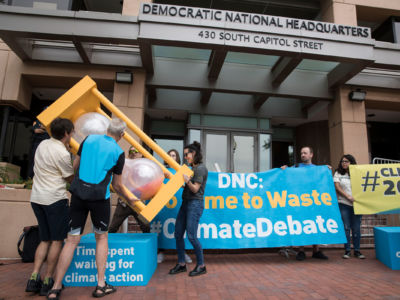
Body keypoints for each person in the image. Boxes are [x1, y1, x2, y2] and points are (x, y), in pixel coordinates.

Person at [47, 118, 138, 300]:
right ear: (122, 135)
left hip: (78, 196)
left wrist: (78, 185)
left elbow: (75, 166)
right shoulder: (118, 152)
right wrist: (131, 199)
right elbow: (118, 186)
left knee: (71, 240)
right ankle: (100, 285)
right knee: (101, 238)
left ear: (107, 129)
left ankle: (55, 288)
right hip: (99, 199)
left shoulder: (88, 140)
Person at [25, 118, 74, 296]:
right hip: (54, 199)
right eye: (72, 132)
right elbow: (69, 178)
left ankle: (33, 277)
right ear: (67, 133)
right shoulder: (62, 153)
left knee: (44, 239)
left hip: (36, 198)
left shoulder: (43, 144)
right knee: (56, 240)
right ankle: (48, 279)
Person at [281, 146, 329, 261]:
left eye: (305, 153)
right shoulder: (296, 167)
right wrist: (284, 169)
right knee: (303, 225)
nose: (303, 155)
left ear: (311, 155)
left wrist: (326, 170)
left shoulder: (317, 169)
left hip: (313, 201)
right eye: (301, 153)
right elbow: (285, 175)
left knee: (315, 225)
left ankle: (315, 250)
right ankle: (301, 251)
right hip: (300, 201)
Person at [169, 141, 208, 277]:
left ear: (194, 154)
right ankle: (181, 264)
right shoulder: (191, 168)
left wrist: (187, 181)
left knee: (191, 236)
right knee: (178, 234)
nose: (185, 157)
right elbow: (187, 187)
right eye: (185, 154)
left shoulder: (200, 169)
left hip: (194, 204)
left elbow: (195, 188)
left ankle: (201, 265)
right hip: (186, 203)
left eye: (187, 154)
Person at [157, 149, 192, 264]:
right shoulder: (161, 170)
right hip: (164, 205)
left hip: (178, 205)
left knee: (181, 230)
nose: (172, 157)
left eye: (174, 155)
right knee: (161, 229)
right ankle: (161, 252)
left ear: (177, 158)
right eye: (169, 155)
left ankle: (182, 253)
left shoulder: (182, 171)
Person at [108, 145, 150, 234]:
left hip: (138, 202)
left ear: (140, 154)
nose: (133, 154)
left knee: (146, 227)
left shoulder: (144, 167)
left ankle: (149, 247)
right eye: (131, 152)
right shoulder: (123, 165)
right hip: (124, 202)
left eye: (136, 151)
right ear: (128, 154)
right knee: (112, 228)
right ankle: (107, 247)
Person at [334, 154, 365, 259]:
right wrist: (347, 196)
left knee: (356, 228)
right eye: (342, 161)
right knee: (346, 228)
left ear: (352, 162)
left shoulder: (357, 173)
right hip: (343, 203)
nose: (344, 163)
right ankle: (347, 250)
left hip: (357, 204)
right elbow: (337, 187)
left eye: (346, 161)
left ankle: (357, 250)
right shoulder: (338, 173)